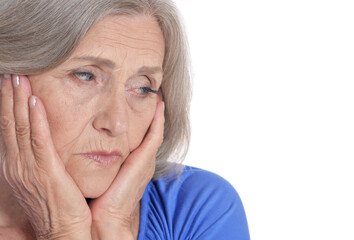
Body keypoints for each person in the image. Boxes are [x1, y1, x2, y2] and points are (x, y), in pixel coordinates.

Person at [0, 0, 250, 239]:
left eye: (143, 88)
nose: (118, 123)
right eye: (86, 76)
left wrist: (92, 227)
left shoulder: (198, 208)